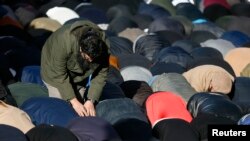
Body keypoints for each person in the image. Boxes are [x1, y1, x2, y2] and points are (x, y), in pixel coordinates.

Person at [41, 20, 110, 117]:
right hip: (54, 72)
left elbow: (101, 75)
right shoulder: (63, 41)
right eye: (87, 57)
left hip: (79, 76)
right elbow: (59, 76)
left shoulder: (104, 47)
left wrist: (91, 100)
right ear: (81, 48)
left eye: (93, 58)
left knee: (83, 110)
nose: (90, 61)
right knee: (61, 109)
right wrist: (74, 101)